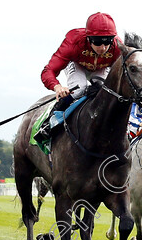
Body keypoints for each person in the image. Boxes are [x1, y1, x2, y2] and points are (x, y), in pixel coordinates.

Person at [34, 12, 122, 144]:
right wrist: (57, 87)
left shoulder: (117, 47)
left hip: (101, 68)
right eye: (98, 42)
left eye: (107, 42)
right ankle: (49, 123)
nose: (103, 48)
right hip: (77, 64)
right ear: (88, 38)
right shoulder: (73, 42)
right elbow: (48, 71)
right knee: (80, 89)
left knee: (104, 92)